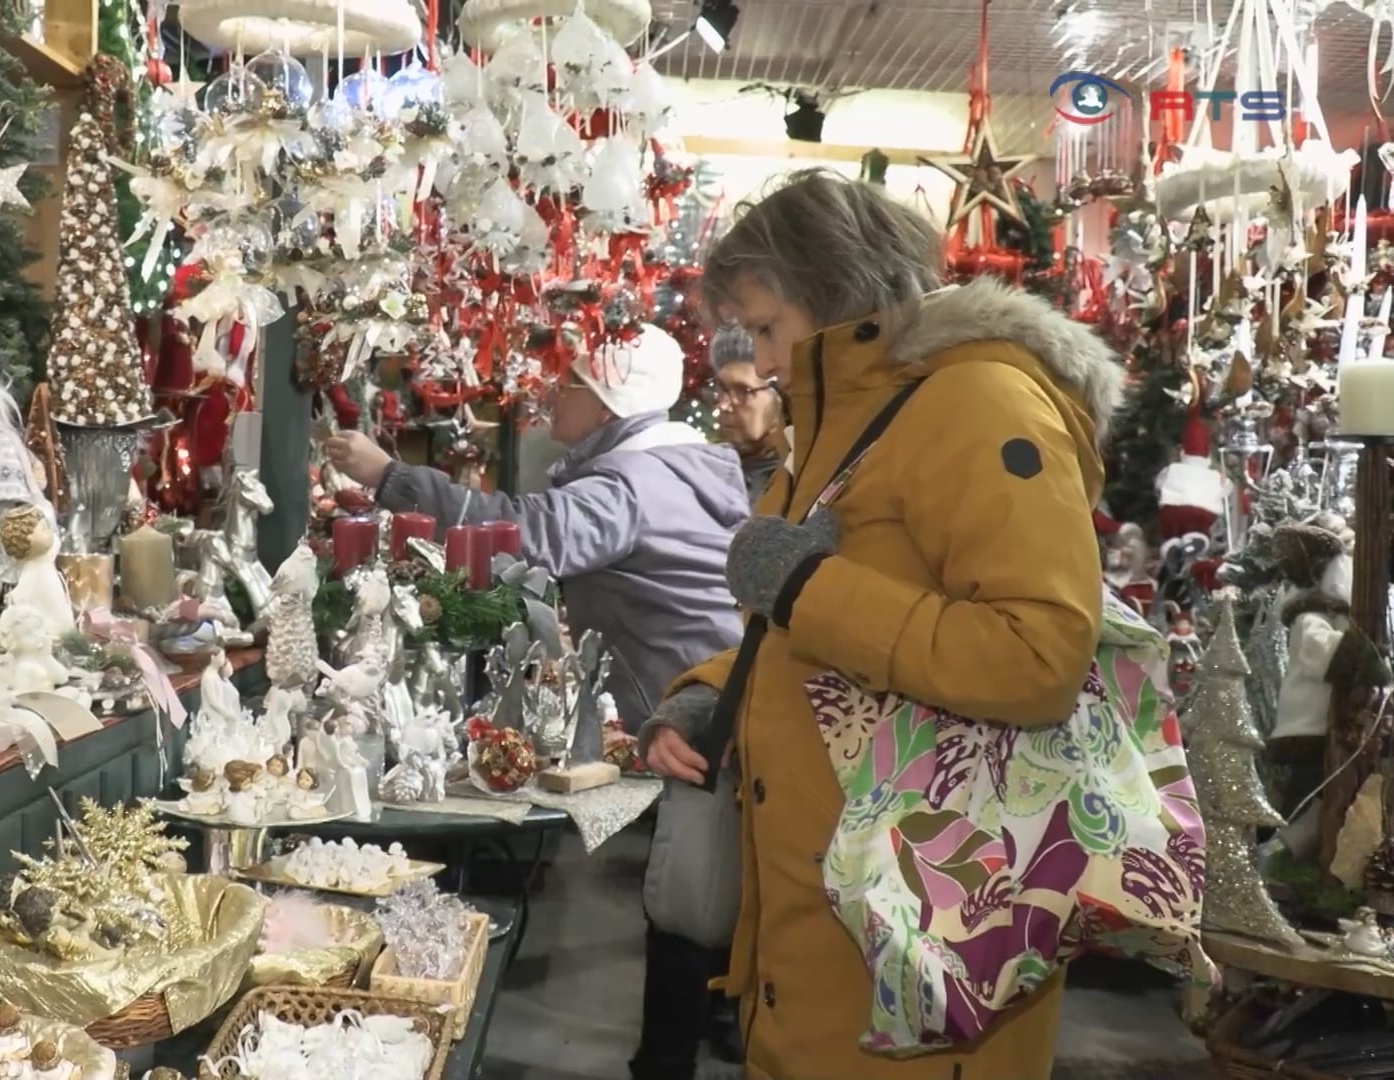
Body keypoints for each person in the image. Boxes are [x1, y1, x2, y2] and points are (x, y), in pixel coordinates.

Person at [664, 169, 1118, 1079]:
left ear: (831, 293)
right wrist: (708, 698)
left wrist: (802, 585)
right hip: (834, 931)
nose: (758, 360)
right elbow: (819, 637)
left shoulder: (975, 402)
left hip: (926, 941)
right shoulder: (845, 417)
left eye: (765, 327)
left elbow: (1040, 655)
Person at [325, 325, 747, 1080]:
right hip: (705, 693)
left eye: (573, 384)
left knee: (685, 897)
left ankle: (666, 1061)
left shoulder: (632, 483)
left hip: (692, 710)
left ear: (612, 402)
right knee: (696, 890)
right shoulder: (670, 467)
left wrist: (392, 476)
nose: (556, 394)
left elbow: (528, 535)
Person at [709, 324, 787, 503]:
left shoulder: (802, 483)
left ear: (781, 394)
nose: (723, 405)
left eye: (743, 391)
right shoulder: (706, 479)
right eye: (721, 389)